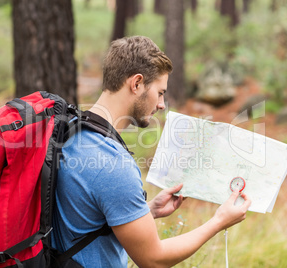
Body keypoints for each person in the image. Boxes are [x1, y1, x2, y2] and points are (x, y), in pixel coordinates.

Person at [51, 36, 251, 268]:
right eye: (160, 92)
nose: (162, 104)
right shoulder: (112, 164)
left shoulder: (71, 129)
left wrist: (147, 212)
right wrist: (219, 221)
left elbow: (84, 216)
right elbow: (153, 259)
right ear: (136, 84)